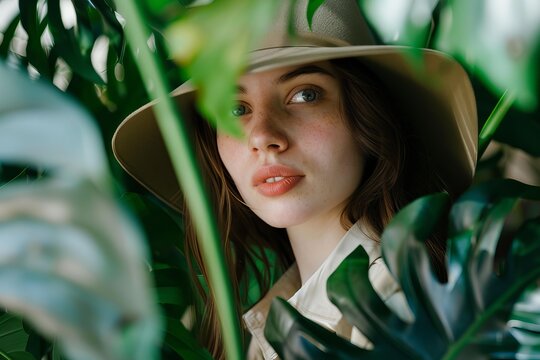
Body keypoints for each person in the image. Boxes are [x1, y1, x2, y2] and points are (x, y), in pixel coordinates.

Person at [112, 0, 478, 358]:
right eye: (235, 109)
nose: (262, 136)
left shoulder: (401, 313)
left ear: (369, 118)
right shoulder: (271, 324)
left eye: (305, 94)